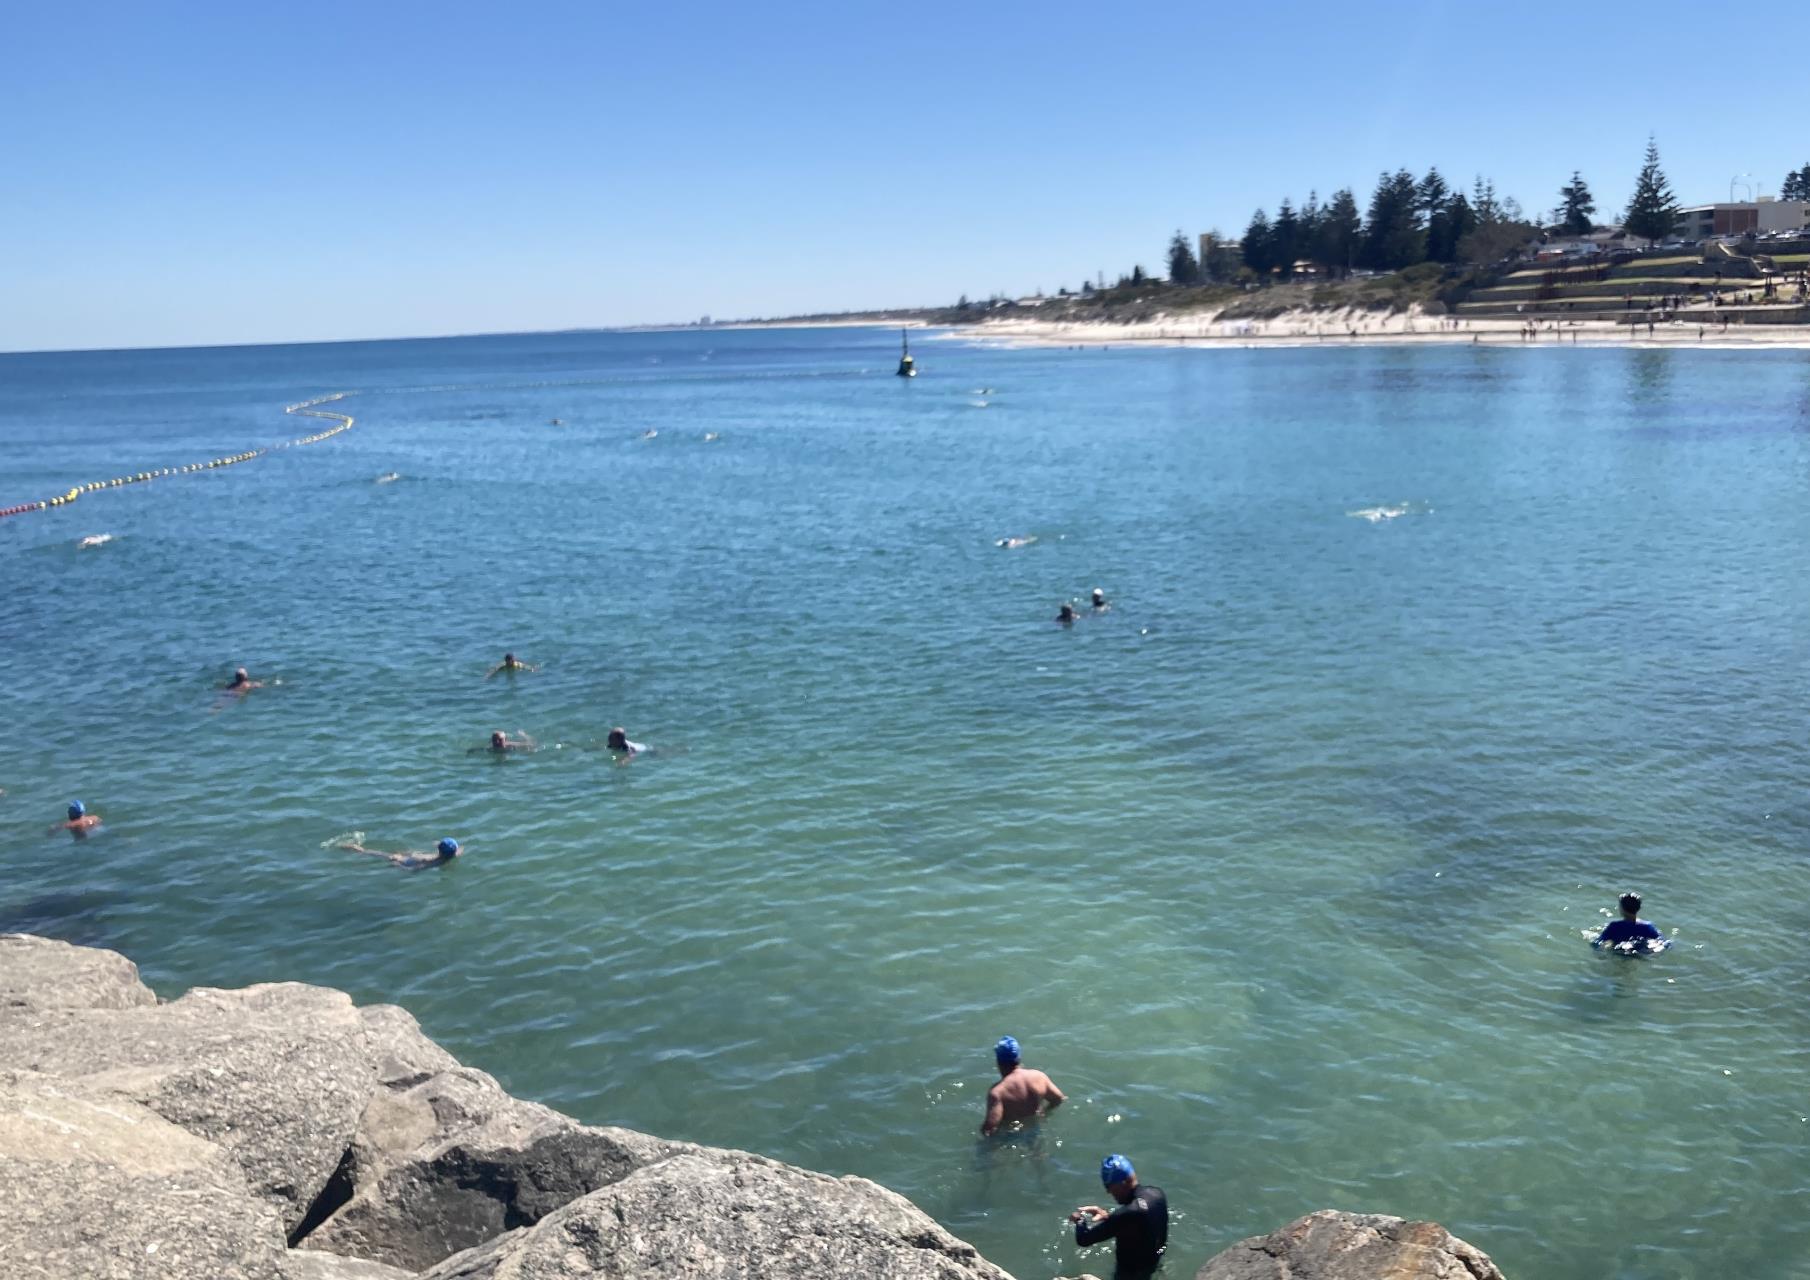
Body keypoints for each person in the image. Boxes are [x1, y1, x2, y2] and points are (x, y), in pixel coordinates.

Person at [1070, 1154, 1168, 1279]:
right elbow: (1140, 1225)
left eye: (1109, 1186)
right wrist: (1108, 1217)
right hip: (1153, 1264)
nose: (1108, 1192)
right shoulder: (1157, 1194)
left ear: (1123, 1182)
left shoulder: (1127, 1214)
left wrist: (1079, 1219)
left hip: (1130, 1275)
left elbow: (1083, 1239)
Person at [980, 1035, 1065, 1136]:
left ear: (998, 1062)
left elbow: (989, 1129)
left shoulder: (998, 1092)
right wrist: (1045, 1114)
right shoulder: (1038, 1076)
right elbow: (1059, 1098)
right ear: (1018, 1057)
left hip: (1012, 1134)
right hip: (1036, 1128)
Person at [336, 835, 461, 870]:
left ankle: (356, 849)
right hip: (410, 860)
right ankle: (357, 850)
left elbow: (418, 868)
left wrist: (400, 864)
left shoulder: (436, 861)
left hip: (408, 860)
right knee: (382, 854)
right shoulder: (442, 861)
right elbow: (418, 868)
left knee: (378, 854)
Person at [1594, 892, 1665, 953]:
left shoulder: (1614, 926)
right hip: (1640, 953)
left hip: (1619, 952)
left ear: (1622, 909)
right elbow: (1663, 942)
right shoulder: (1648, 926)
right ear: (1639, 908)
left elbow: (1597, 943)